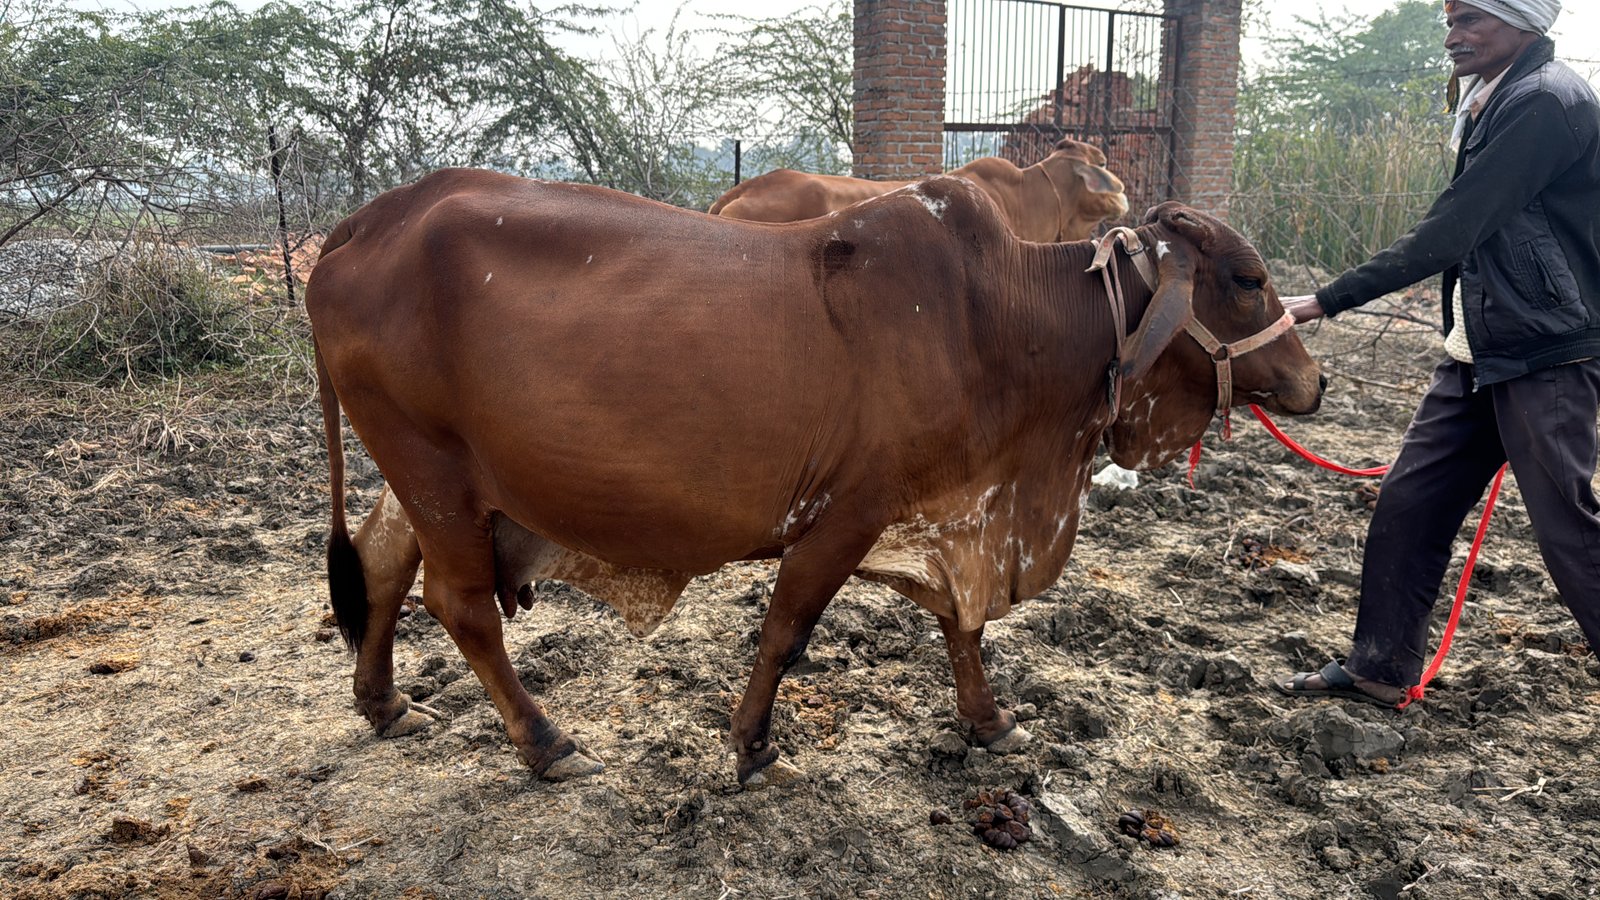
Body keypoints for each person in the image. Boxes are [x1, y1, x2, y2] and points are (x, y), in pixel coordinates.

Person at [1275, 0, 1600, 707]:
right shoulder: (1497, 94)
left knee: (1569, 533)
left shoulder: (1544, 101)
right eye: (1449, 22)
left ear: (1524, 21)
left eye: (1471, 20)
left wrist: (1326, 299)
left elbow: (1455, 228)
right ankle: (1380, 668)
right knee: (1411, 504)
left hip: (1544, 353)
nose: (1453, 37)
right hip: (1482, 349)